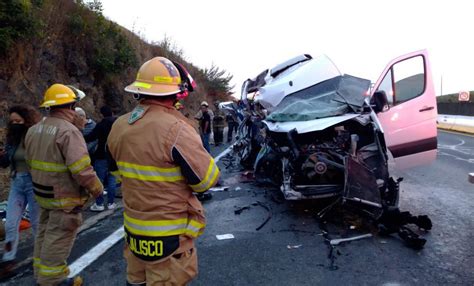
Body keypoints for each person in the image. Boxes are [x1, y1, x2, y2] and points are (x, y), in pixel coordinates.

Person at [107, 56, 220, 285]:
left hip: (134, 232)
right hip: (169, 238)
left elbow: (116, 172)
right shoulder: (177, 129)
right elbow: (205, 181)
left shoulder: (119, 125)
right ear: (176, 93)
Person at [24, 84, 103, 286]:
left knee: (43, 235)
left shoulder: (34, 130)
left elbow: (31, 162)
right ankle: (53, 280)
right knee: (57, 239)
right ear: (71, 106)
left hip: (43, 195)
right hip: (64, 199)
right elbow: (82, 169)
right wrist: (97, 189)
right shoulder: (69, 132)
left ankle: (40, 275)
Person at [0, 105, 41, 271]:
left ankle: (42, 258)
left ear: (27, 120)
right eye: (12, 121)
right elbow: (6, 163)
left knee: (37, 224)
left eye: (19, 120)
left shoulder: (35, 137)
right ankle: (8, 259)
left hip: (34, 183)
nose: (15, 124)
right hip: (17, 183)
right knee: (10, 223)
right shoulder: (12, 139)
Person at [85, 105, 117, 212]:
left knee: (99, 180)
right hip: (114, 155)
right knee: (112, 179)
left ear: (102, 114)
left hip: (102, 156)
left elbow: (91, 137)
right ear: (111, 112)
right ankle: (111, 202)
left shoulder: (101, 125)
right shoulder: (118, 123)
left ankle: (99, 204)